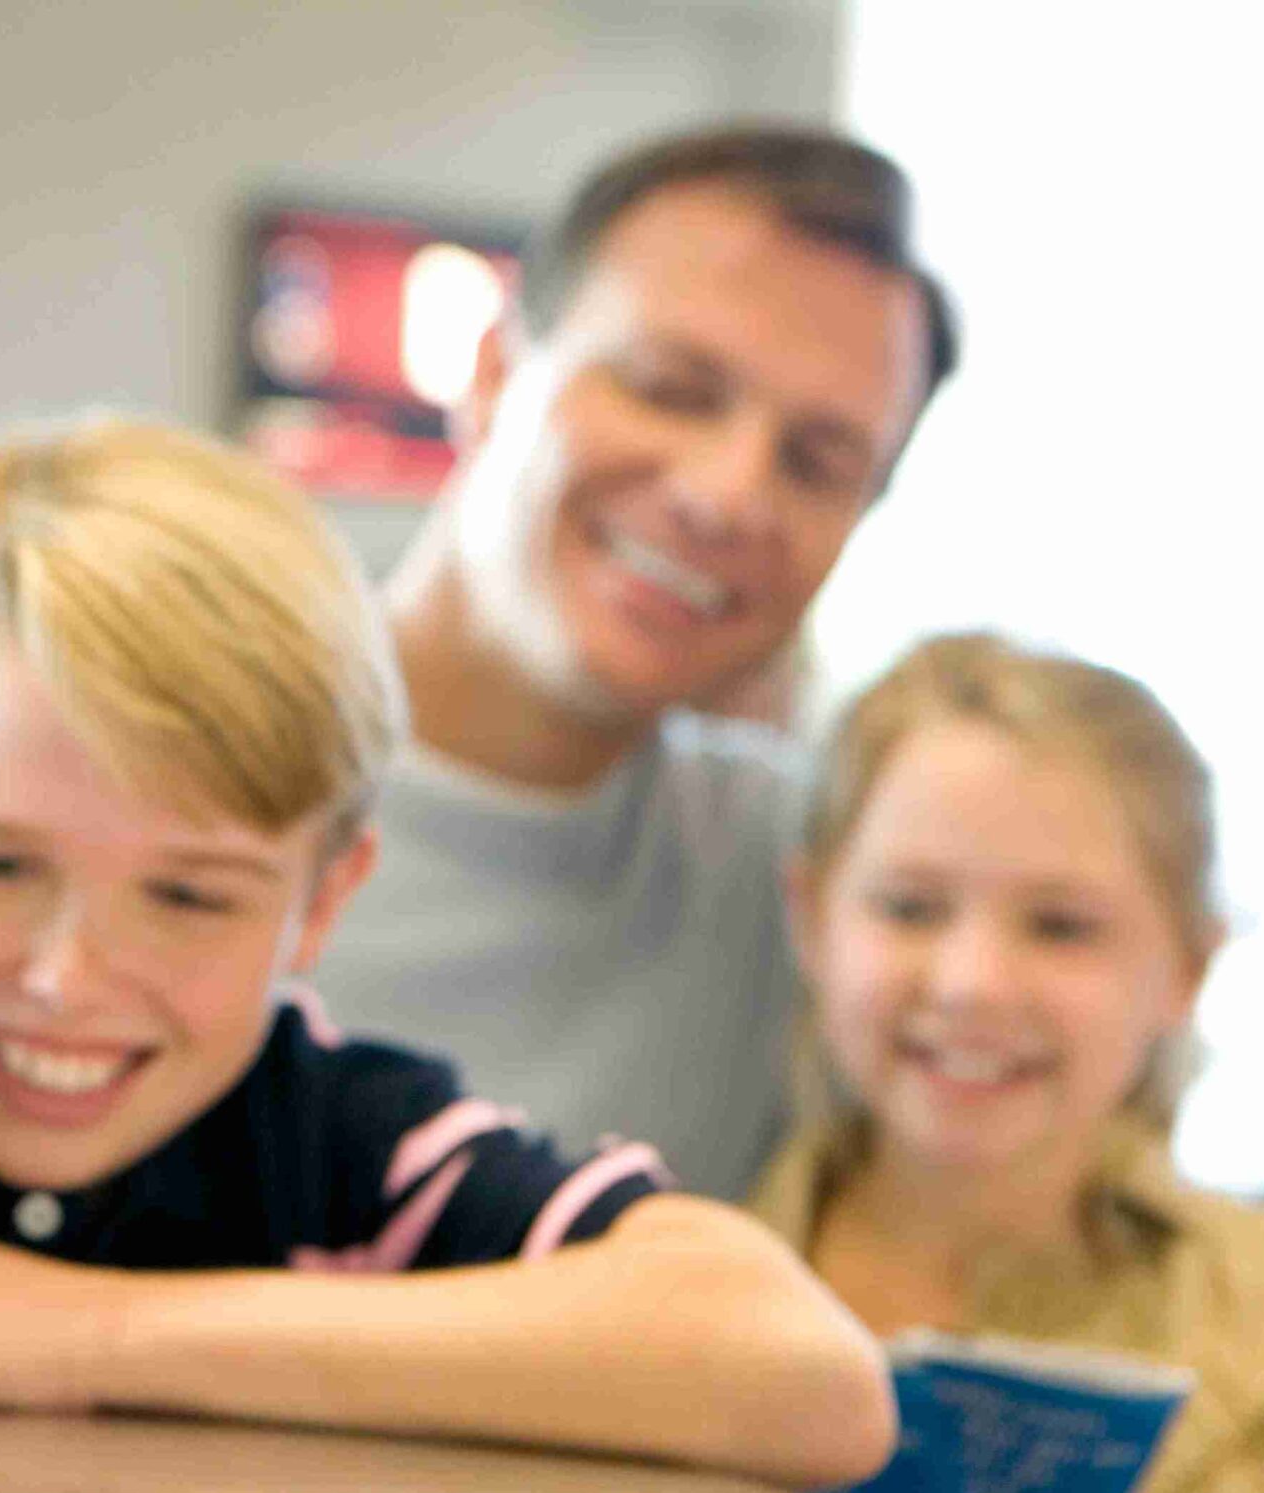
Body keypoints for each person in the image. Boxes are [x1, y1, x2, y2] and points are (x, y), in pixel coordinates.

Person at [0, 418, 894, 1491]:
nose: (69, 977)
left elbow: (806, 1377)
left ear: (325, 897)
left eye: (188, 896)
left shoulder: (344, 1137)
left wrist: (77, 1330)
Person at [308, 125, 962, 1203]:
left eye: (817, 462)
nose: (728, 494)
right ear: (494, 372)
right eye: (669, 388)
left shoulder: (823, 889)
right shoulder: (137, 767)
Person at [747, 632, 1264, 1493]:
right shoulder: (672, 1314)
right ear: (810, 918)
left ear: (1184, 968)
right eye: (909, 907)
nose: (973, 982)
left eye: (1061, 927)